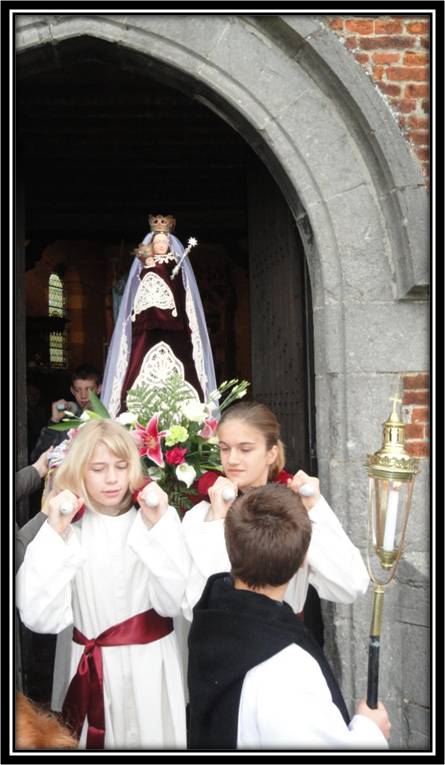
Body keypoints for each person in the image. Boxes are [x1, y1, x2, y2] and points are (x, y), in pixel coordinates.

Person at [16, 419, 189, 750]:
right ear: (80, 470)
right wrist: (54, 533)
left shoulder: (152, 520)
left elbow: (173, 601)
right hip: (94, 667)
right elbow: (40, 616)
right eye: (98, 468)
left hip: (149, 667)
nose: (112, 479)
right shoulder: (70, 529)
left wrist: (160, 528)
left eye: (121, 467)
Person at [187, 484, 390, 750]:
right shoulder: (287, 667)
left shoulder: (212, 618)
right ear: (304, 560)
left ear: (229, 548)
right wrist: (370, 731)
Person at [181, 401, 370, 622]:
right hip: (224, 647)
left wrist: (315, 508)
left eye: (245, 449)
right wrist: (217, 523)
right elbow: (192, 607)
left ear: (271, 454)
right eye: (224, 448)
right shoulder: (202, 514)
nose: (231, 459)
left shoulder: (296, 510)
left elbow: (352, 585)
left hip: (285, 642)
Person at [100, 214, 216, 417]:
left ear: (170, 244)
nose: (161, 245)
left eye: (164, 241)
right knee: (136, 368)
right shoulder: (143, 270)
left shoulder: (176, 266)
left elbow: (183, 297)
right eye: (158, 242)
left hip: (175, 328)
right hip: (145, 328)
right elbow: (136, 299)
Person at [30, 364, 102, 463]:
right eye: (78, 390)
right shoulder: (66, 419)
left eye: (89, 390)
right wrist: (54, 421)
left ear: (99, 389)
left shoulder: (108, 417)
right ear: (72, 391)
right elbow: (37, 459)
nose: (83, 395)